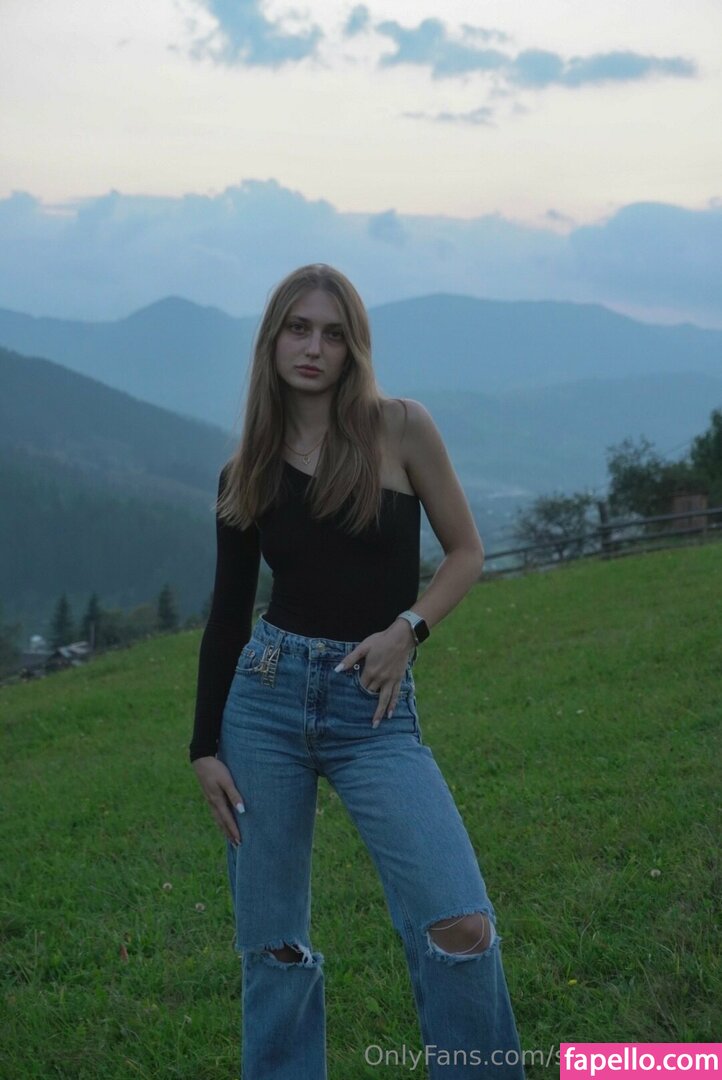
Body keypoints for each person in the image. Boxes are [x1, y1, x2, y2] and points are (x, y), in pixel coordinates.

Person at [190, 264, 525, 1079]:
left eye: (333, 334)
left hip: (372, 711)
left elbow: (466, 552)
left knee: (461, 925)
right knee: (274, 945)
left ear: (354, 349)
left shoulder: (401, 429)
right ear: (273, 340)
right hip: (264, 704)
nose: (314, 348)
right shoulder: (246, 470)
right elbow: (228, 616)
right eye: (298, 329)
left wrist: (409, 629)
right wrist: (203, 747)